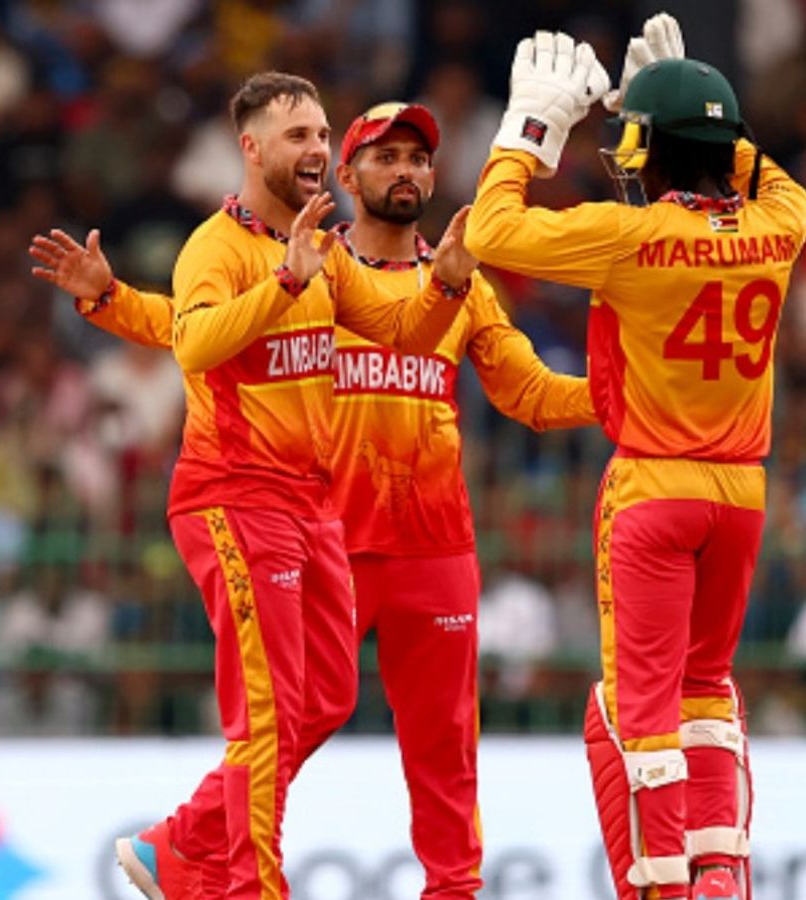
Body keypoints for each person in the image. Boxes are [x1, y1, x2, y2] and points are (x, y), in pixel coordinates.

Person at [34, 100, 596, 899]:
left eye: (417, 159)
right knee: (281, 717)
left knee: (440, 757)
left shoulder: (450, 285)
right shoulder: (305, 261)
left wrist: (620, 396)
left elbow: (532, 392)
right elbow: (201, 331)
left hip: (429, 545)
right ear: (348, 175)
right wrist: (113, 301)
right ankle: (230, 869)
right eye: (384, 156)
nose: (405, 171)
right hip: (326, 521)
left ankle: (190, 843)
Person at [464, 22, 806, 900]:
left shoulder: (628, 239)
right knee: (708, 692)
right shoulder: (783, 225)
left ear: (648, 154)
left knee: (636, 710)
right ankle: (721, 875)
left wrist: (530, 129)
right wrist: (697, 109)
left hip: (653, 487)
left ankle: (660, 884)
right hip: (741, 494)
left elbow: (493, 231)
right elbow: (763, 177)